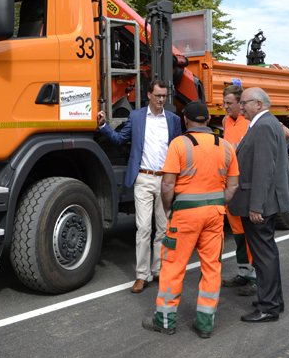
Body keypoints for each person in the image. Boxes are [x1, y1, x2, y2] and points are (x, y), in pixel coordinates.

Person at [141, 101, 239, 338]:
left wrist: (168, 209)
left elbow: (167, 184)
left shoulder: (179, 144)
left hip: (184, 214)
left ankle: (165, 320)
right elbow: (233, 185)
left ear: (186, 120)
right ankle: (205, 324)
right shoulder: (226, 146)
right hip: (215, 215)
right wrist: (215, 203)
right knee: (212, 267)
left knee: (173, 266)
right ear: (207, 120)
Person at [97, 80, 182, 293]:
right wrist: (103, 126)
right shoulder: (136, 117)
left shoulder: (173, 120)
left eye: (164, 96)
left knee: (163, 229)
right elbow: (118, 139)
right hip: (143, 179)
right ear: (149, 96)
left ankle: (158, 270)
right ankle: (141, 275)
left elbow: (179, 151)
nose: (162, 99)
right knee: (144, 228)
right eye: (158, 95)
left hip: (165, 181)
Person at [228, 87, 289, 322]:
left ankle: (268, 307)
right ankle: (274, 300)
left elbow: (264, 170)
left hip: (260, 205)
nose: (240, 106)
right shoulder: (268, 123)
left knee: (263, 255)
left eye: (244, 103)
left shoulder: (263, 125)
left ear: (258, 104)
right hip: (265, 202)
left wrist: (256, 206)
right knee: (268, 253)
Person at [220, 85, 257, 297]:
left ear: (240, 103)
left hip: (247, 185)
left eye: (229, 103)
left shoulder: (253, 120)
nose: (225, 107)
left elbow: (285, 133)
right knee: (238, 234)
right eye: (224, 103)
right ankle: (244, 274)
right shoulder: (226, 121)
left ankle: (255, 278)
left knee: (251, 234)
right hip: (231, 184)